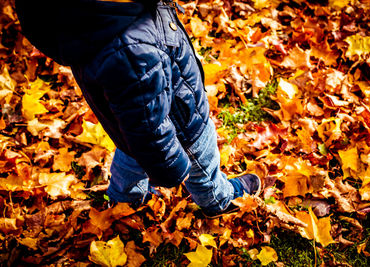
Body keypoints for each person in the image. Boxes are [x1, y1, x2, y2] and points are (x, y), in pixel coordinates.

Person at [15, 0, 261, 218]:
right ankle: (217, 200)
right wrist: (172, 169)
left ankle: (125, 201)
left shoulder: (90, 20)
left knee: (131, 157)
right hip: (184, 128)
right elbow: (149, 127)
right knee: (202, 165)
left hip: (131, 130)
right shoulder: (130, 48)